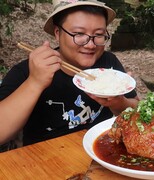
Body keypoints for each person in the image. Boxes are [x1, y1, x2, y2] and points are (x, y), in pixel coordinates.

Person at [0, 0, 139, 148]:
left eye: (98, 34)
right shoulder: (27, 71)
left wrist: (120, 103)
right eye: (79, 33)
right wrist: (35, 82)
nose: (90, 44)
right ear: (57, 33)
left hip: (100, 152)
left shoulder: (108, 64)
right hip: (44, 161)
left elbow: (136, 110)